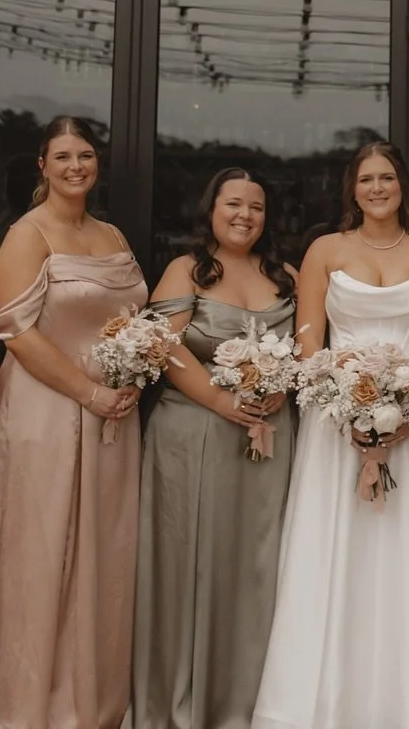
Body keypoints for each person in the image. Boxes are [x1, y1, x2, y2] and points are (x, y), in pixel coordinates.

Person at [251, 142, 409, 729]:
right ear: (352, 189)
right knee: (336, 552)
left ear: (403, 185)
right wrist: (346, 409)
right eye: (367, 180)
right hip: (335, 426)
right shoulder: (325, 251)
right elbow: (311, 339)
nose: (378, 188)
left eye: (387, 178)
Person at [0, 116, 145, 729]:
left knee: (106, 553)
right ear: (42, 167)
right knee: (43, 551)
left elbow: (132, 321)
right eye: (63, 156)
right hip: (49, 409)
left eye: (86, 155)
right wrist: (89, 392)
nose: (76, 166)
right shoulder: (27, 234)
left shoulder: (113, 232)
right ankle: (31, 707)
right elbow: (15, 332)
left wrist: (127, 376)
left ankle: (93, 704)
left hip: (115, 416)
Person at [134, 167, 298, 729]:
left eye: (255, 207)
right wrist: (221, 401)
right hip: (194, 435)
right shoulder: (187, 269)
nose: (244, 216)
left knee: (258, 568)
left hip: (269, 442)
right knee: (193, 562)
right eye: (233, 204)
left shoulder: (288, 276)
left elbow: (307, 347)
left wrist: (281, 385)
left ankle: (250, 701)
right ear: (211, 209)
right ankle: (185, 701)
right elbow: (162, 347)